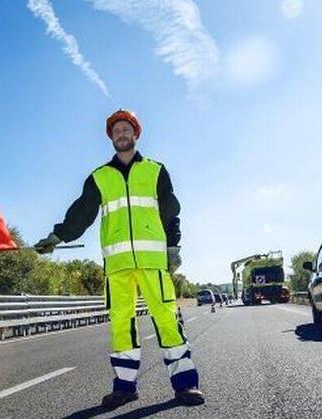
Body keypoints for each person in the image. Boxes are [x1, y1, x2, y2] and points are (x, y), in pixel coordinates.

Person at [34, 109, 205, 409]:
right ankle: (124, 388)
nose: (121, 134)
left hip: (154, 264)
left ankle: (186, 385)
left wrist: (173, 247)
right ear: (111, 138)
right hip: (118, 267)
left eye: (126, 129)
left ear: (136, 134)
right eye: (116, 131)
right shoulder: (99, 178)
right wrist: (57, 237)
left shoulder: (155, 171)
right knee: (121, 325)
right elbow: (81, 213)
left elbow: (170, 212)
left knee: (167, 320)